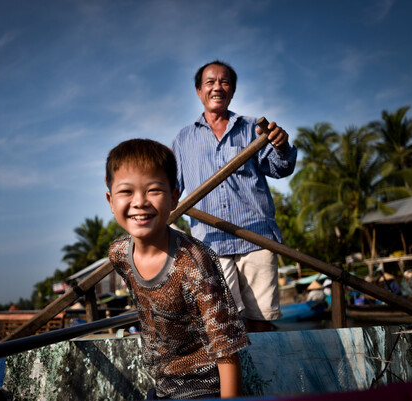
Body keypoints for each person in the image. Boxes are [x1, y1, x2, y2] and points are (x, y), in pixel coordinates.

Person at [106, 138, 250, 399]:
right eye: (126, 192)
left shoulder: (193, 264)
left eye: (153, 190)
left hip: (205, 387)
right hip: (162, 387)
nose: (140, 202)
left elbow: (226, 352)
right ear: (111, 200)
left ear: (174, 198)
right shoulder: (118, 255)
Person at [172, 60, 297, 332]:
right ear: (198, 91)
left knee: (261, 321)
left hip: (257, 238)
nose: (217, 87)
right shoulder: (183, 140)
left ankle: (262, 375)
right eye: (210, 82)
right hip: (210, 246)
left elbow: (280, 168)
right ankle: (233, 376)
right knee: (224, 325)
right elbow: (173, 190)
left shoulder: (254, 129)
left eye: (224, 81)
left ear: (233, 90)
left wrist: (281, 145)